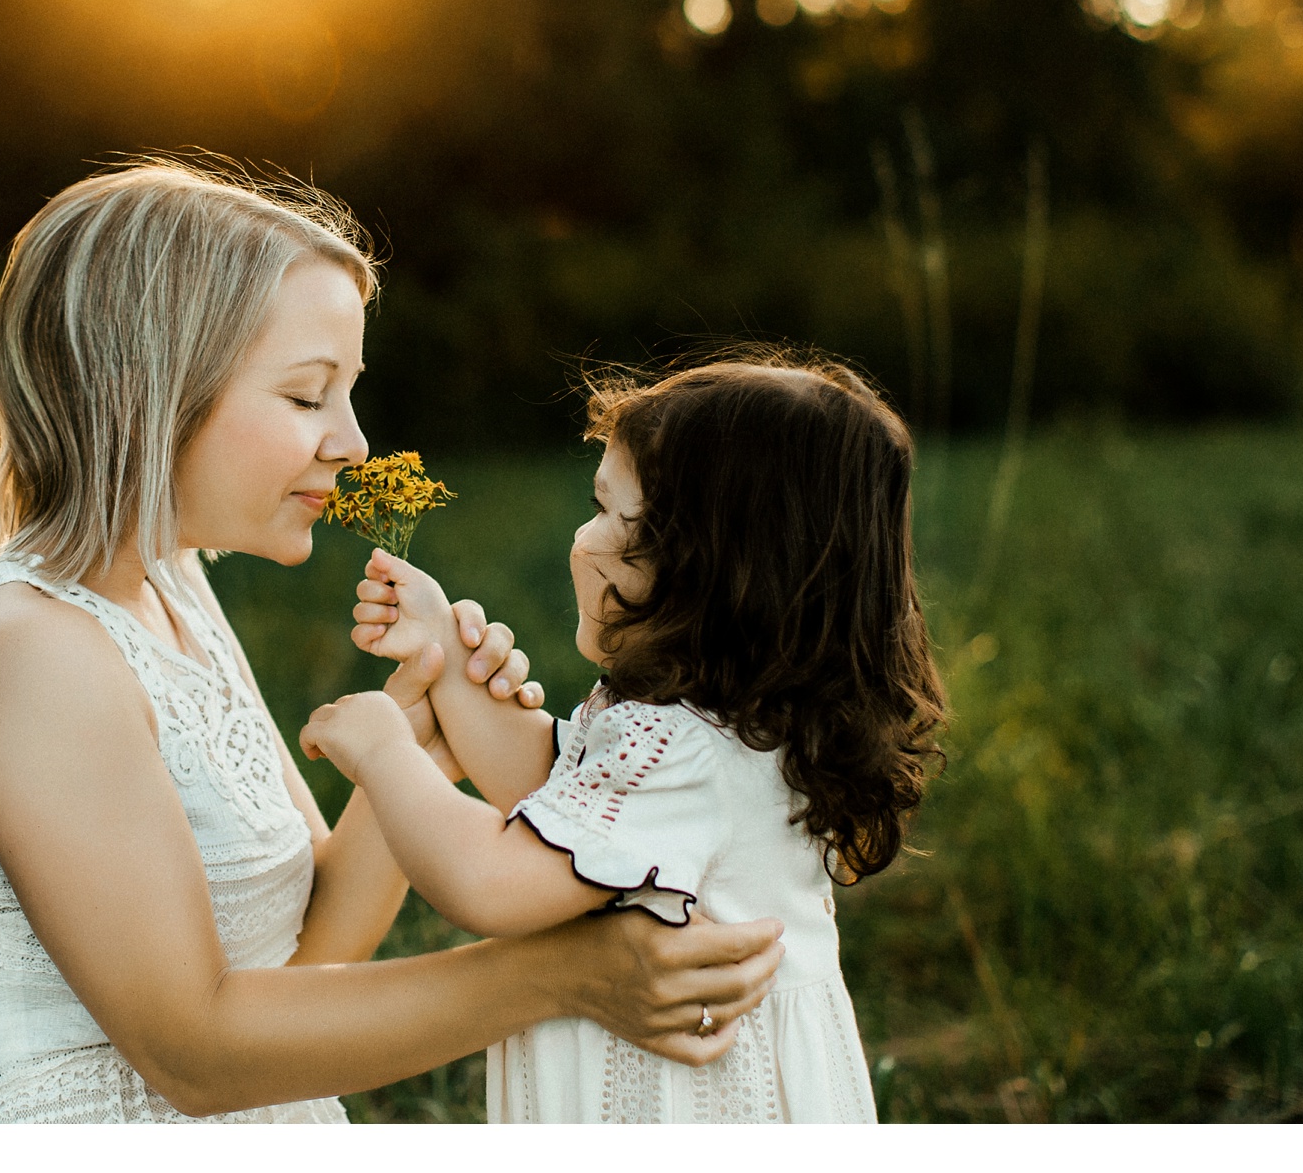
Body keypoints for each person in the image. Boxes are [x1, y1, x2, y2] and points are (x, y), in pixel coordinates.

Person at [0, 161, 787, 1123]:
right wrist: (564, 974)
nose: (352, 441)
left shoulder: (173, 594)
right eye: (308, 397)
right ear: (142, 393)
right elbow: (195, 1053)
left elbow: (310, 954)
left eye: (348, 392)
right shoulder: (22, 654)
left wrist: (415, 742)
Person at [302, 355, 951, 1122]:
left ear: (709, 568)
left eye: (616, 516)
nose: (583, 537)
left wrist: (385, 752)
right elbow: (555, 787)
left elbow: (489, 881)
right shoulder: (731, 727)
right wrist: (440, 643)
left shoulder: (685, 750)